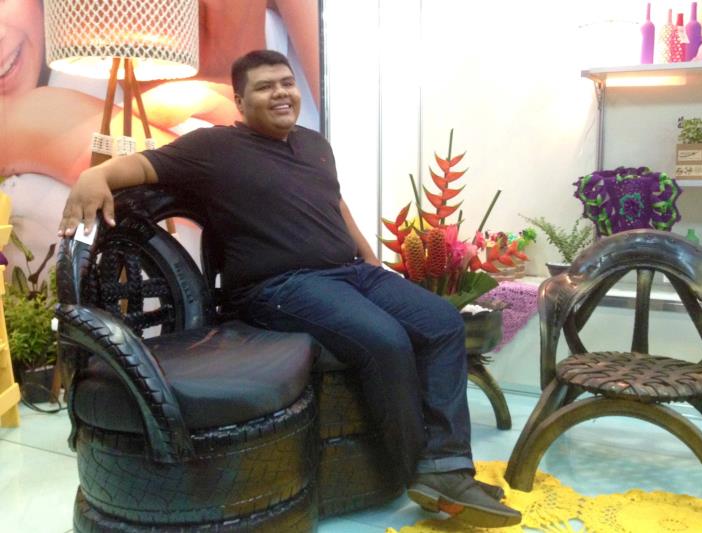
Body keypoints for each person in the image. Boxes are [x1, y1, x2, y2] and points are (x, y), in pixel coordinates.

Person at [57, 49, 522, 529]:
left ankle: (448, 465)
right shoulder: (213, 148)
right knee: (384, 340)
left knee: (442, 322)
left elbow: (334, 203)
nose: (280, 93)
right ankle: (420, 470)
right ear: (240, 101)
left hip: (350, 272)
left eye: (286, 83)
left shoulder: (316, 145)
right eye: (264, 87)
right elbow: (142, 166)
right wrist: (95, 175)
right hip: (278, 285)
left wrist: (367, 255)